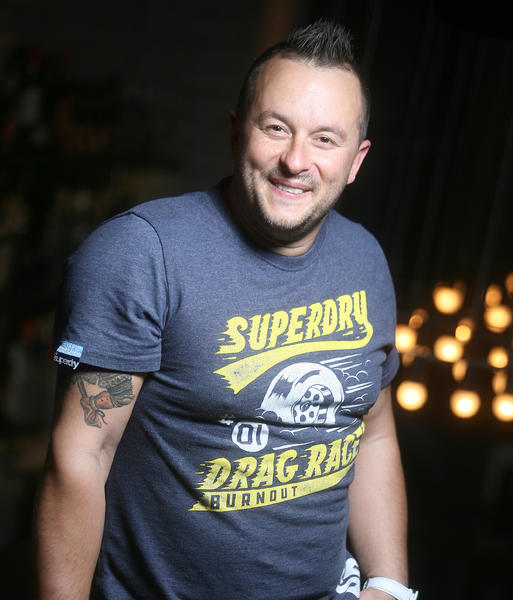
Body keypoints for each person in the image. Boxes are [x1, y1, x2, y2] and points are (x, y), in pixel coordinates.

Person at [35, 20, 418, 600]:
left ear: (355, 160)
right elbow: (81, 454)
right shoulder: (140, 253)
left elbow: (375, 434)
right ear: (237, 131)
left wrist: (390, 585)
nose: (296, 160)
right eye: (275, 128)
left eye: (325, 139)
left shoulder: (364, 258)